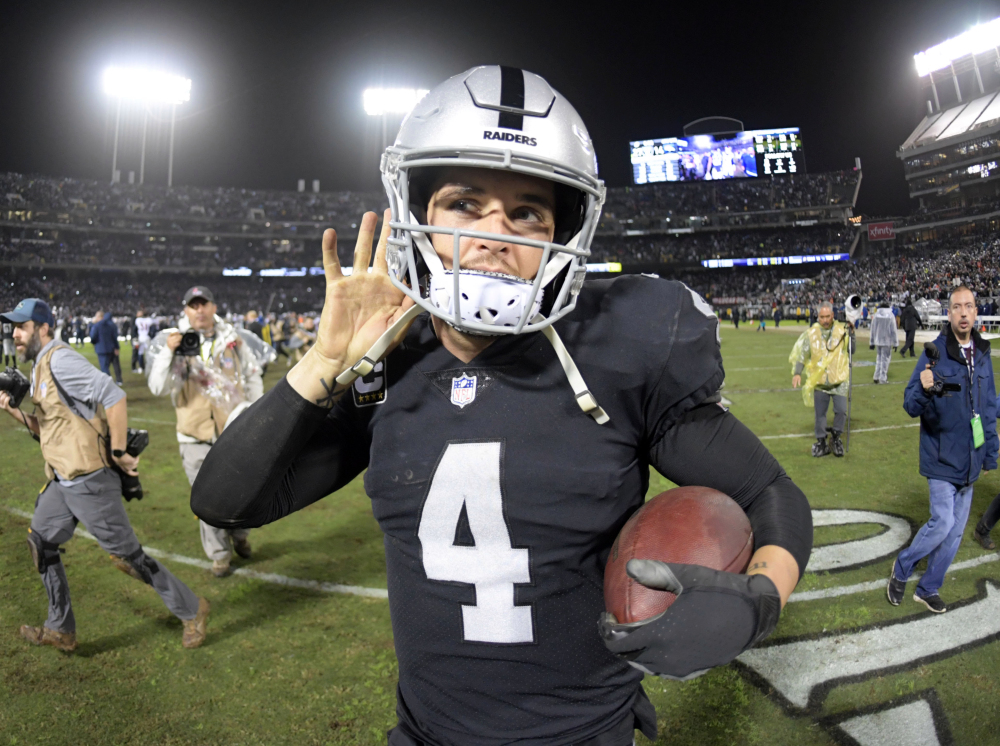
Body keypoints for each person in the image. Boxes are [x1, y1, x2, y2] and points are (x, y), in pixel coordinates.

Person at [190, 66, 813, 745]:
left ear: (561, 235)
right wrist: (324, 363)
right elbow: (226, 500)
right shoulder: (389, 365)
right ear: (419, 214)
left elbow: (770, 493)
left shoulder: (616, 353)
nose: (497, 233)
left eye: (526, 213)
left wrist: (760, 601)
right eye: (465, 203)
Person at [0, 298, 209, 652]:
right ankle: (60, 629)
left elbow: (114, 395)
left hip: (89, 479)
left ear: (44, 328)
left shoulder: (61, 359)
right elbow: (49, 428)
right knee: (42, 543)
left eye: (22, 326)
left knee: (129, 558)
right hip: (61, 479)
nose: (15, 333)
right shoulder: (39, 366)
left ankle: (192, 609)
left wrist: (117, 451)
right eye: (13, 328)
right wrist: (14, 412)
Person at [889, 286, 998, 613]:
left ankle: (928, 588)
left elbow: (988, 408)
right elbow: (910, 404)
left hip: (971, 461)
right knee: (942, 523)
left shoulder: (982, 352)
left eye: (969, 306)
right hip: (940, 457)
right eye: (956, 307)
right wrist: (923, 389)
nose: (963, 313)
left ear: (976, 312)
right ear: (948, 314)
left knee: (953, 535)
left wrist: (990, 453)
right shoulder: (934, 351)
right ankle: (903, 566)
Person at [146, 286, 267, 578]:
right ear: (185, 310)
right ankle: (219, 555)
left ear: (214, 307)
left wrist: (254, 413)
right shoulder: (173, 341)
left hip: (233, 431)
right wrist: (169, 352)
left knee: (242, 491)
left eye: (204, 304)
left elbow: (252, 376)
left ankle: (240, 535)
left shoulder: (233, 340)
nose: (199, 310)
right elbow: (157, 387)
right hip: (193, 435)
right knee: (207, 500)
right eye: (193, 305)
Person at [790, 301, 855, 457]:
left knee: (841, 411)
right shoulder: (811, 334)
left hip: (839, 380)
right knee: (820, 414)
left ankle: (836, 437)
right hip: (820, 381)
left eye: (828, 316)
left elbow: (852, 350)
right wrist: (797, 372)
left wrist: (852, 335)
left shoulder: (842, 330)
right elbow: (802, 354)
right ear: (817, 317)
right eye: (822, 317)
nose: (825, 320)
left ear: (832, 315)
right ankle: (821, 441)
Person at [89, 310, 123, 386]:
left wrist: (91, 324)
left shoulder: (96, 326)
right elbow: (114, 337)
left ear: (98, 317)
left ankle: (109, 384)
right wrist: (116, 347)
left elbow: (92, 338)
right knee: (115, 365)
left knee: (104, 368)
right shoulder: (111, 325)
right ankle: (118, 380)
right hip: (111, 348)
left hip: (101, 350)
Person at [869, 305, 897, 384]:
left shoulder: (876, 315)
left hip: (878, 341)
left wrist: (871, 342)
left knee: (879, 359)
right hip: (887, 341)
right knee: (885, 360)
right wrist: (895, 343)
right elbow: (893, 330)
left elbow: (873, 329)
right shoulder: (890, 316)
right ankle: (882, 379)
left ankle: (876, 376)